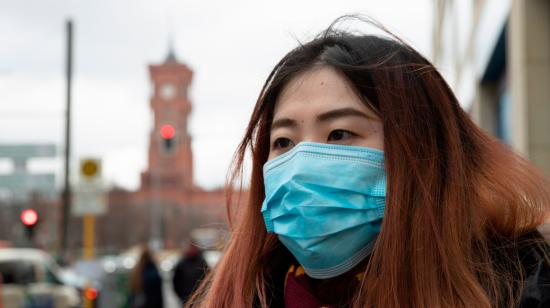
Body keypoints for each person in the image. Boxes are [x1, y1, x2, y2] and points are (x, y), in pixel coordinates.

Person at [187, 17, 550, 308]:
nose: (300, 165)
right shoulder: (241, 296)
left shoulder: (524, 289)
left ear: (422, 151)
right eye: (283, 142)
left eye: (340, 134)